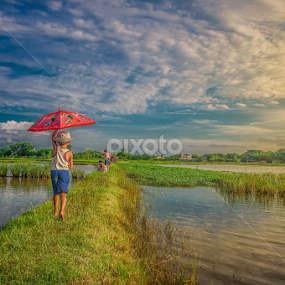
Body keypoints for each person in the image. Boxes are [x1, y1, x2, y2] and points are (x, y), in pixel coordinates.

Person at [51, 130, 73, 221]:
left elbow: (52, 137)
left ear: (58, 141)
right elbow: (71, 167)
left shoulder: (55, 148)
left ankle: (55, 211)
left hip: (54, 172)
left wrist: (56, 129)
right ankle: (62, 211)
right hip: (64, 172)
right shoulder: (69, 153)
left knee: (56, 192)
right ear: (68, 142)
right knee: (63, 194)